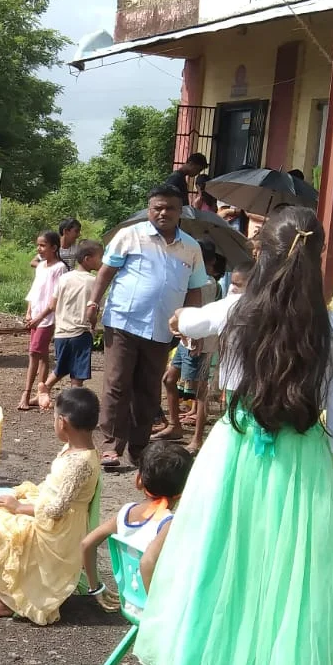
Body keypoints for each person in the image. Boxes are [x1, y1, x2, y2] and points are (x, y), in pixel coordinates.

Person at [135, 205, 333, 665]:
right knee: (295, 597)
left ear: (261, 255)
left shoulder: (240, 311)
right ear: (317, 260)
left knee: (234, 588)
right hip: (305, 470)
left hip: (237, 461)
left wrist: (181, 322)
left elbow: (187, 322)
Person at [0, 387, 103, 622]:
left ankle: (6, 600)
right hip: (47, 511)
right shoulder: (74, 450)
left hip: (57, 529)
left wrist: (19, 508)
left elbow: (57, 509)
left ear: (63, 423)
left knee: (6, 533)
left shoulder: (80, 463)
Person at [84, 186, 208, 468]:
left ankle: (139, 448)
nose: (163, 213)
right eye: (157, 208)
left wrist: (193, 326)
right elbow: (105, 273)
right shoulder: (130, 235)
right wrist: (93, 304)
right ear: (149, 209)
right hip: (123, 323)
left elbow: (195, 289)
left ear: (181, 211)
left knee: (149, 390)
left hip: (163, 330)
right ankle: (111, 447)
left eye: (170, 208)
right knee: (117, 384)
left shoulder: (191, 247)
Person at [81, 441, 193, 598]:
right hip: (153, 610)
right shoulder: (169, 524)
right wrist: (154, 612)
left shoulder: (126, 513)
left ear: (138, 480)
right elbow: (147, 563)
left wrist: (95, 588)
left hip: (129, 600)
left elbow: (87, 544)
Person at [156, 243, 221, 449]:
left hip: (198, 341)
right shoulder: (200, 281)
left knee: (200, 389)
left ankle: (197, 438)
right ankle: (175, 425)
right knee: (169, 379)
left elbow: (201, 312)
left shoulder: (207, 284)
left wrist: (197, 337)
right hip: (187, 339)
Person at [49, 240, 103, 395]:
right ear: (87, 259)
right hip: (81, 332)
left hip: (61, 332)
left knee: (61, 368)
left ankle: (43, 390)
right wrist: (93, 325)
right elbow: (92, 311)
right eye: (100, 257)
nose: (103, 261)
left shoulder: (64, 278)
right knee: (77, 376)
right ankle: (73, 404)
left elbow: (53, 305)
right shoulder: (95, 282)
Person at [22, 231, 67, 412]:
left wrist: (39, 317)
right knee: (40, 355)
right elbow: (35, 291)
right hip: (35, 316)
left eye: (42, 245)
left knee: (34, 353)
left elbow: (55, 299)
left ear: (54, 248)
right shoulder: (41, 267)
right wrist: (29, 312)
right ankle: (41, 392)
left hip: (47, 318)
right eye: (38, 245)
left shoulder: (60, 268)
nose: (38, 249)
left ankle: (26, 393)